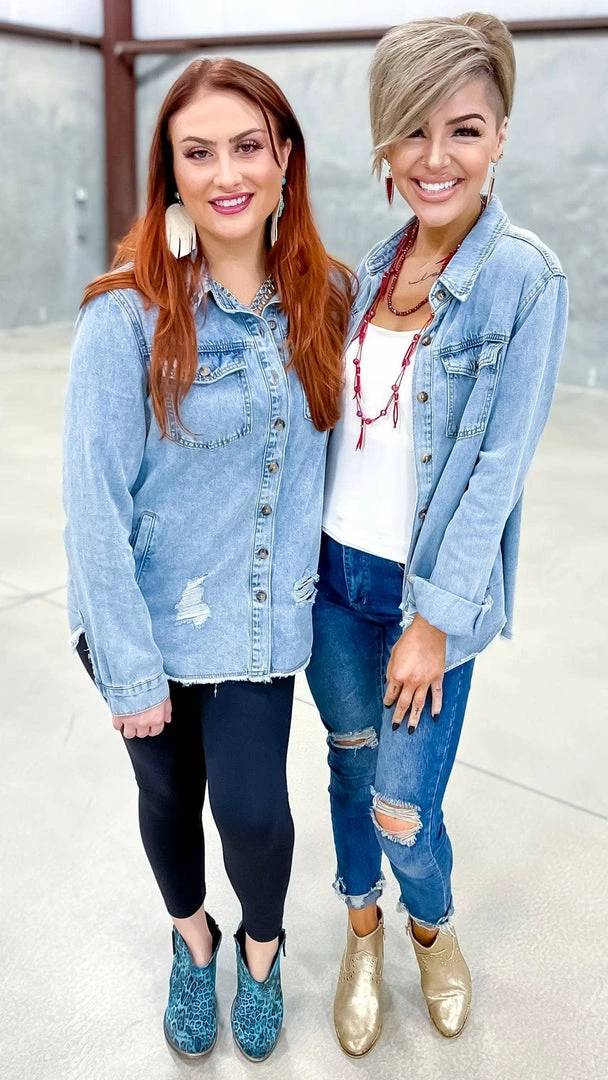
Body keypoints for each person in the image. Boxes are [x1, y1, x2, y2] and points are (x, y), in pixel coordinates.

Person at [63, 57, 353, 1063]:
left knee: (254, 816)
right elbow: (92, 503)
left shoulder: (329, 299)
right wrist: (130, 667)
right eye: (198, 152)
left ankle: (261, 951)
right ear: (173, 174)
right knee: (165, 799)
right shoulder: (123, 315)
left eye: (246, 146)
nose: (225, 171)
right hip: (142, 618)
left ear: (283, 160)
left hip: (258, 623)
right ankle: (194, 941)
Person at [306, 12, 568, 1056]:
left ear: (498, 137)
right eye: (410, 131)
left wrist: (433, 620)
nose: (434, 157)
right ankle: (360, 933)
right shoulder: (372, 268)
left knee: (403, 809)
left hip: (425, 599)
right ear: (384, 143)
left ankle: (426, 924)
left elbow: (496, 471)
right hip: (332, 582)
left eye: (461, 129)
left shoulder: (522, 279)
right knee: (346, 768)